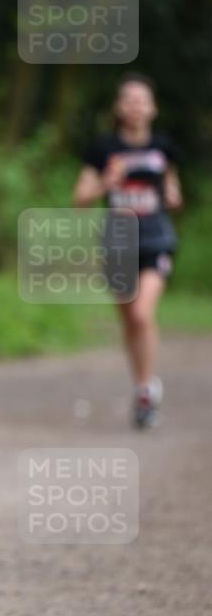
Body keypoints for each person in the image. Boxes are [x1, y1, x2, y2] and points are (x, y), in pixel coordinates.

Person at [73, 73, 183, 428]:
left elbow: (173, 193)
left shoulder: (163, 149)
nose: (136, 106)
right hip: (118, 243)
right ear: (119, 108)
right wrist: (107, 183)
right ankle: (142, 386)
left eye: (142, 100)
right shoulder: (103, 149)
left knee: (141, 315)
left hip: (156, 241)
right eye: (129, 100)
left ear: (153, 108)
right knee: (128, 320)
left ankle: (147, 390)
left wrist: (172, 197)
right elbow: (81, 199)